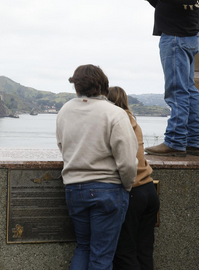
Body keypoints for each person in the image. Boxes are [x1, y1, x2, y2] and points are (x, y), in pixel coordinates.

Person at [56, 65, 138, 270]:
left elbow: (62, 146)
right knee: (101, 256)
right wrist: (127, 187)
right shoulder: (115, 113)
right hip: (108, 190)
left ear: (77, 86)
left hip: (74, 188)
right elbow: (127, 161)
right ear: (104, 85)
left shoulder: (65, 110)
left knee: (83, 247)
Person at [138, 0, 199, 157]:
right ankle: (193, 142)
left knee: (177, 92)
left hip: (178, 38)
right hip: (180, 37)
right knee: (188, 91)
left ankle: (175, 142)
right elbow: (171, 6)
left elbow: (193, 2)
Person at [107, 87, 160, 270]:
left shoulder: (115, 122)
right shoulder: (132, 120)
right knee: (145, 250)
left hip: (133, 191)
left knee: (125, 252)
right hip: (149, 189)